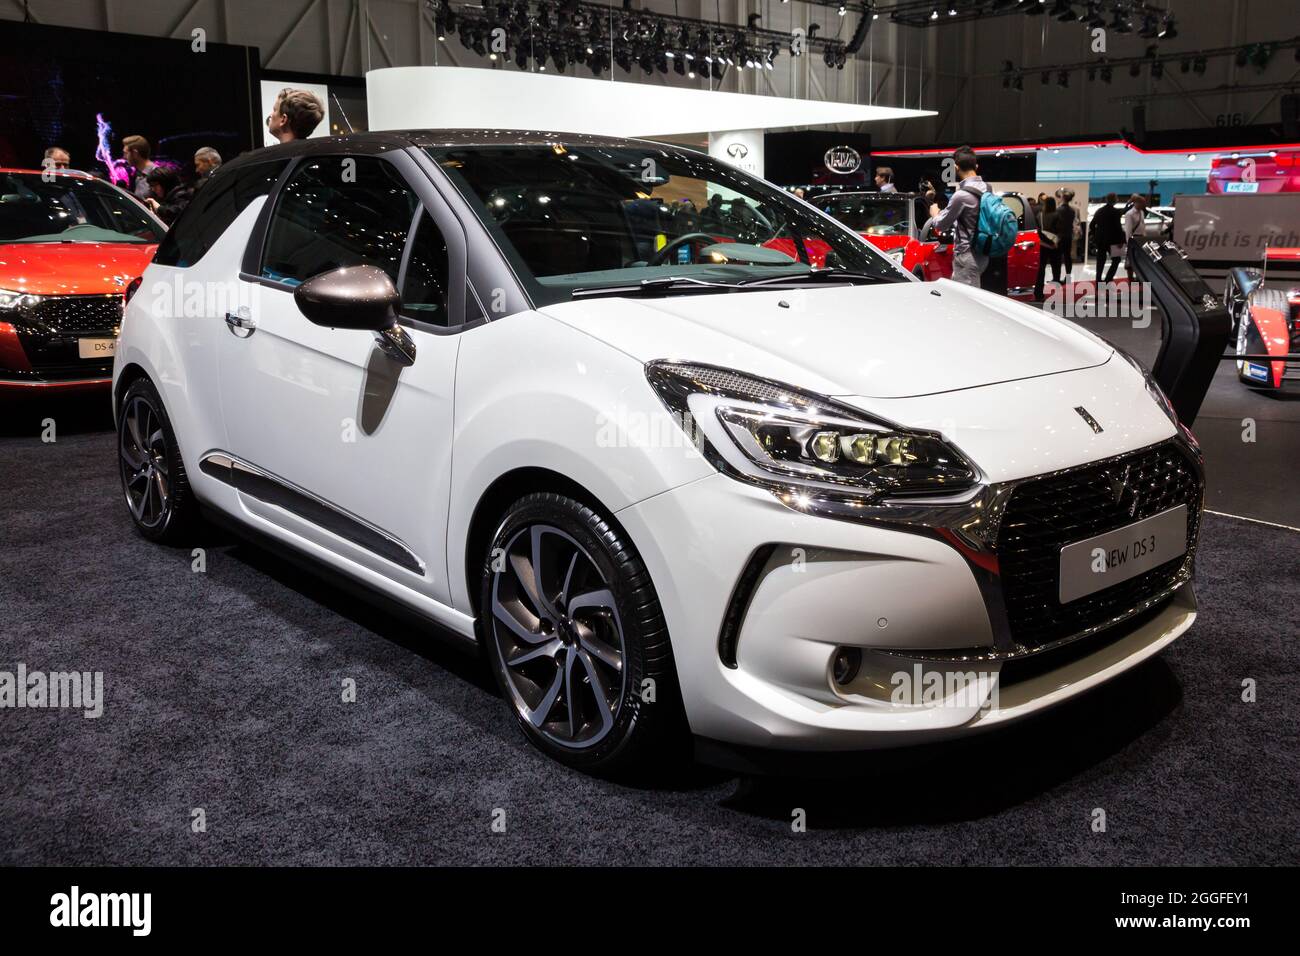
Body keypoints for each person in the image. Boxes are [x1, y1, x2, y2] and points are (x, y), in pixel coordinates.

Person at [927, 145, 987, 288]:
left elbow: (941, 225)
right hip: (983, 254)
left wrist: (935, 213)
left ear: (955, 167)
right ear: (976, 166)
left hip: (966, 255)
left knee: (966, 301)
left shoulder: (961, 195)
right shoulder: (987, 188)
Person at [1034, 197, 1063, 301]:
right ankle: (1057, 294)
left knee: (1041, 270)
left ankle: (1038, 294)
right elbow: (1060, 230)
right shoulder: (1057, 215)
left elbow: (1038, 231)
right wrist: (1054, 242)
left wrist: (1046, 241)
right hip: (1054, 245)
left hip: (1043, 244)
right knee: (1056, 269)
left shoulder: (1039, 215)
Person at [1093, 193, 1124, 283]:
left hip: (1101, 240)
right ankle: (1108, 279)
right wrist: (1121, 240)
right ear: (1115, 200)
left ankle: (1098, 281)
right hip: (1113, 240)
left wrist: (1097, 234)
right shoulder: (1116, 212)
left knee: (1100, 261)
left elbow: (1092, 225)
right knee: (1116, 260)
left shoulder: (1099, 211)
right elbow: (1118, 228)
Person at [122, 135, 157, 201]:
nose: (124, 157)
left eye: (126, 153)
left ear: (135, 153)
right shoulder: (137, 175)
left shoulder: (157, 174)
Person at [1055, 188, 1077, 281]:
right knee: (1068, 257)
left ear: (1062, 198)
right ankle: (1068, 278)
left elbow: (1057, 224)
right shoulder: (1072, 210)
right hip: (1068, 236)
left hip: (1059, 237)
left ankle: (1057, 278)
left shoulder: (1058, 210)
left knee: (1058, 258)